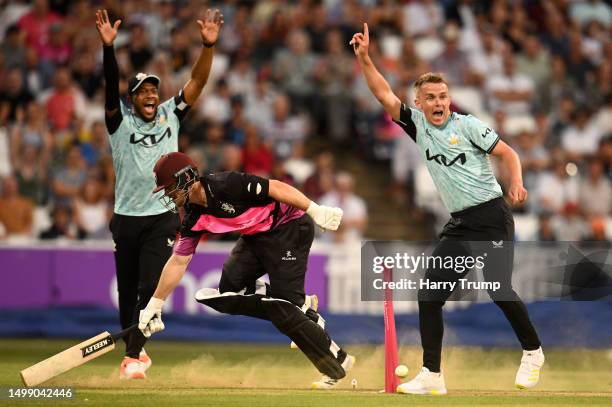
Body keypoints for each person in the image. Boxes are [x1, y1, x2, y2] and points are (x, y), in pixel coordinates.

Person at [351, 23, 543, 395]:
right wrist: (365, 59)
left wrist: (516, 182)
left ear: (449, 99)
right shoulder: (418, 125)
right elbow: (383, 94)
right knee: (430, 294)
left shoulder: (468, 125)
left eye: (443, 96)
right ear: (419, 102)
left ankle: (533, 352)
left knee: (498, 288)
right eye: (431, 97)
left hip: (490, 216)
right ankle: (433, 376)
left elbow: (508, 153)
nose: (438, 103)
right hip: (460, 225)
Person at [137, 152, 355, 390]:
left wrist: (315, 210)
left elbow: (276, 187)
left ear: (186, 178)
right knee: (230, 290)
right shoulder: (192, 217)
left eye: (170, 188)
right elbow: (178, 261)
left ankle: (335, 363)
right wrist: (155, 304)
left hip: (289, 227)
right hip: (255, 236)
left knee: (288, 314)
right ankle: (302, 307)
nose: (168, 194)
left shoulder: (225, 184)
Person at [95, 8, 223, 379]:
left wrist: (207, 46)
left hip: (163, 214)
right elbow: (108, 84)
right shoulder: (118, 122)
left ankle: (133, 357)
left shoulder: (171, 114)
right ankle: (135, 351)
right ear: (133, 98)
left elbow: (197, 82)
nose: (151, 95)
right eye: (143, 91)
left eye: (154, 89)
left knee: (150, 285)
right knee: (128, 291)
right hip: (125, 217)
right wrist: (109, 48)